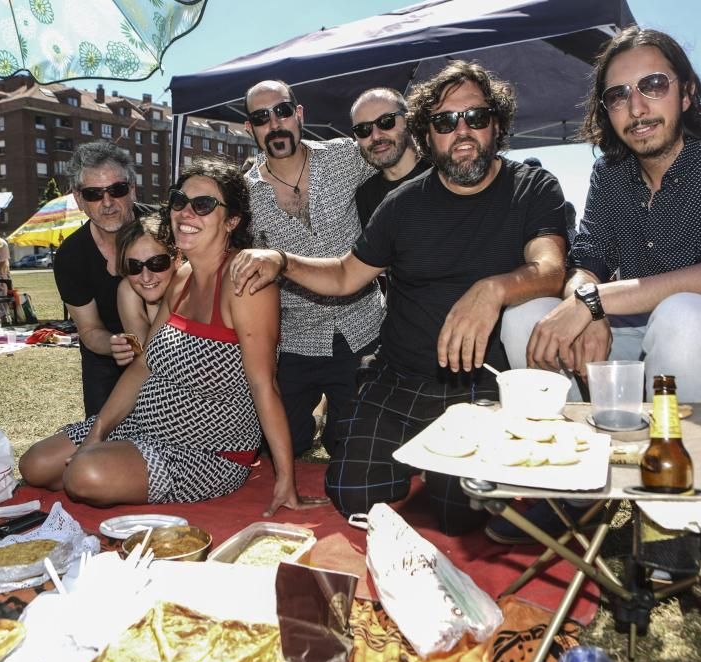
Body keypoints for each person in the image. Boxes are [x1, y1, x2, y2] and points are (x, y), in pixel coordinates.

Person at [231, 62, 568, 535]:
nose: (462, 131)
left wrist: (493, 289)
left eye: (476, 116)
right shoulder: (401, 203)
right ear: (429, 133)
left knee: (457, 513)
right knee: (349, 493)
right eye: (446, 122)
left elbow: (551, 270)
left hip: (478, 382)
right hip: (403, 375)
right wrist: (282, 260)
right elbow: (348, 273)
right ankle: (422, 457)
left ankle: (445, 467)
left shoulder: (532, 187)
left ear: (498, 123)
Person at [19, 158, 324, 516]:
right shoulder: (181, 277)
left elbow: (263, 385)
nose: (185, 213)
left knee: (85, 475)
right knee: (34, 465)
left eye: (203, 205)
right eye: (179, 201)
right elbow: (143, 364)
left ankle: (103, 471)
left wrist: (285, 478)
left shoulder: (245, 282)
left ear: (232, 220)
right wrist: (97, 432)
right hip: (141, 426)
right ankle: (106, 464)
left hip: (205, 451)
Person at [524, 26, 701, 402]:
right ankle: (579, 449)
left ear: (687, 93)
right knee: (529, 317)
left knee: (681, 316)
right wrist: (589, 307)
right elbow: (586, 265)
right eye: (618, 96)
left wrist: (593, 302)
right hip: (638, 328)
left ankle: (674, 458)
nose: (637, 108)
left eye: (653, 85)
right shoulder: (610, 173)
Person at [243, 79, 384, 456]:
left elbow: (400, 171)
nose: (274, 124)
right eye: (261, 117)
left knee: (350, 447)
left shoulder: (346, 157)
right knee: (281, 445)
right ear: (250, 128)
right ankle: (316, 419)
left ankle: (336, 422)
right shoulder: (245, 197)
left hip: (363, 327)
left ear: (299, 114)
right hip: (296, 339)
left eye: (282, 111)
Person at [53, 141, 150, 417]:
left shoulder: (162, 227)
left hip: (172, 355)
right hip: (106, 363)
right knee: (102, 447)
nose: (107, 203)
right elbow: (89, 329)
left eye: (117, 190)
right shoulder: (71, 256)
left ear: (132, 188)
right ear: (78, 199)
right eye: (94, 194)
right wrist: (115, 344)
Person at [351, 87, 431, 227]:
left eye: (386, 121)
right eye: (363, 130)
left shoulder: (443, 173)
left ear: (407, 120)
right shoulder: (366, 196)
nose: (376, 136)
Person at [115, 211, 178, 346]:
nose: (146, 277)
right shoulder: (128, 289)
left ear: (177, 259)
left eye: (156, 263)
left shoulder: (195, 287)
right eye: (134, 266)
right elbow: (147, 357)